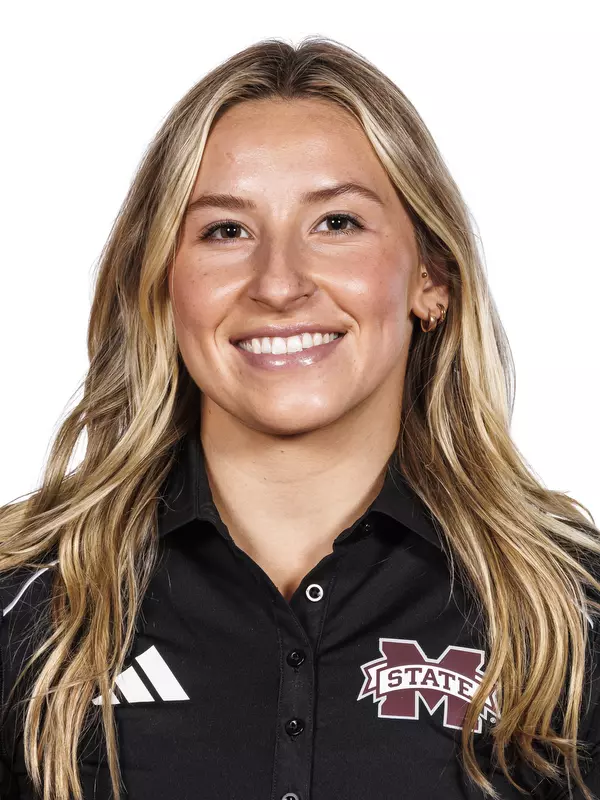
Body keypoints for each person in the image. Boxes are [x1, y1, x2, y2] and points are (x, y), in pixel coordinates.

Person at [0, 36, 599, 800]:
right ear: (162, 284)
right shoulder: (27, 606)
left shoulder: (568, 616)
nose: (278, 283)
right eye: (226, 230)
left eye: (337, 223)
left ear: (431, 278)